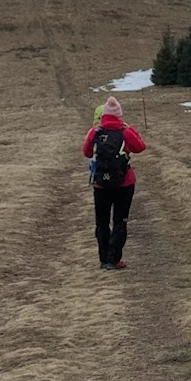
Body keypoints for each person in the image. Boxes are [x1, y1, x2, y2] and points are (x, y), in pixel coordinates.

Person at [81, 96, 146, 270]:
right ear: (119, 115)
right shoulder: (124, 131)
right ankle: (114, 259)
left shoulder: (95, 132)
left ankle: (103, 259)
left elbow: (86, 153)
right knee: (120, 221)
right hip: (124, 183)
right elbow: (140, 147)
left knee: (101, 222)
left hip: (100, 184)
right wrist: (129, 129)